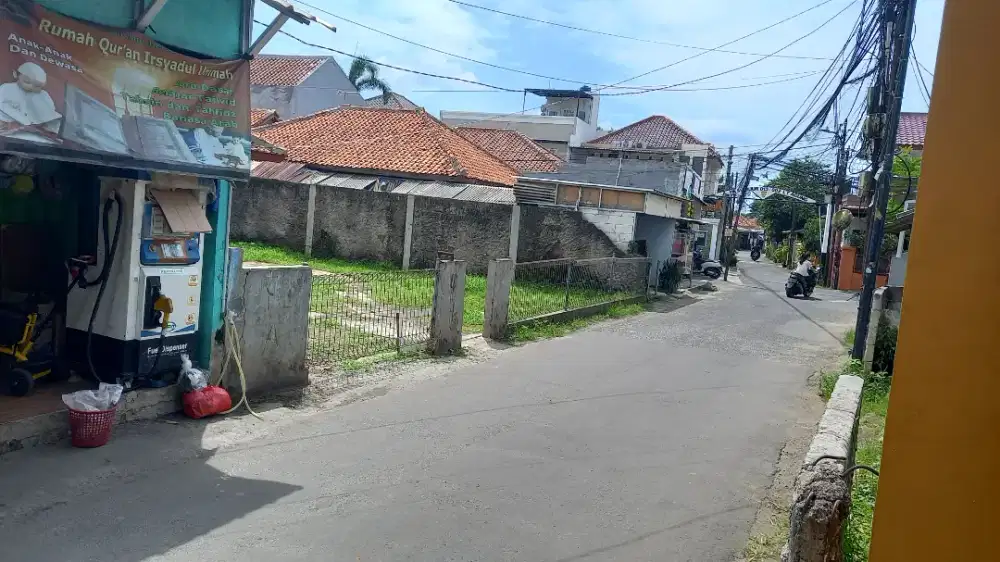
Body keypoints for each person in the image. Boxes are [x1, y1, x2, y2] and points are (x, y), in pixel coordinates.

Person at [0, 62, 61, 143]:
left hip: (38, 135)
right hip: (9, 134)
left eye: (37, 86)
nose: (31, 87)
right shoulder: (6, 88)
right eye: (27, 82)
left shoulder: (44, 95)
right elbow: (3, 107)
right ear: (16, 75)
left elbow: (51, 114)